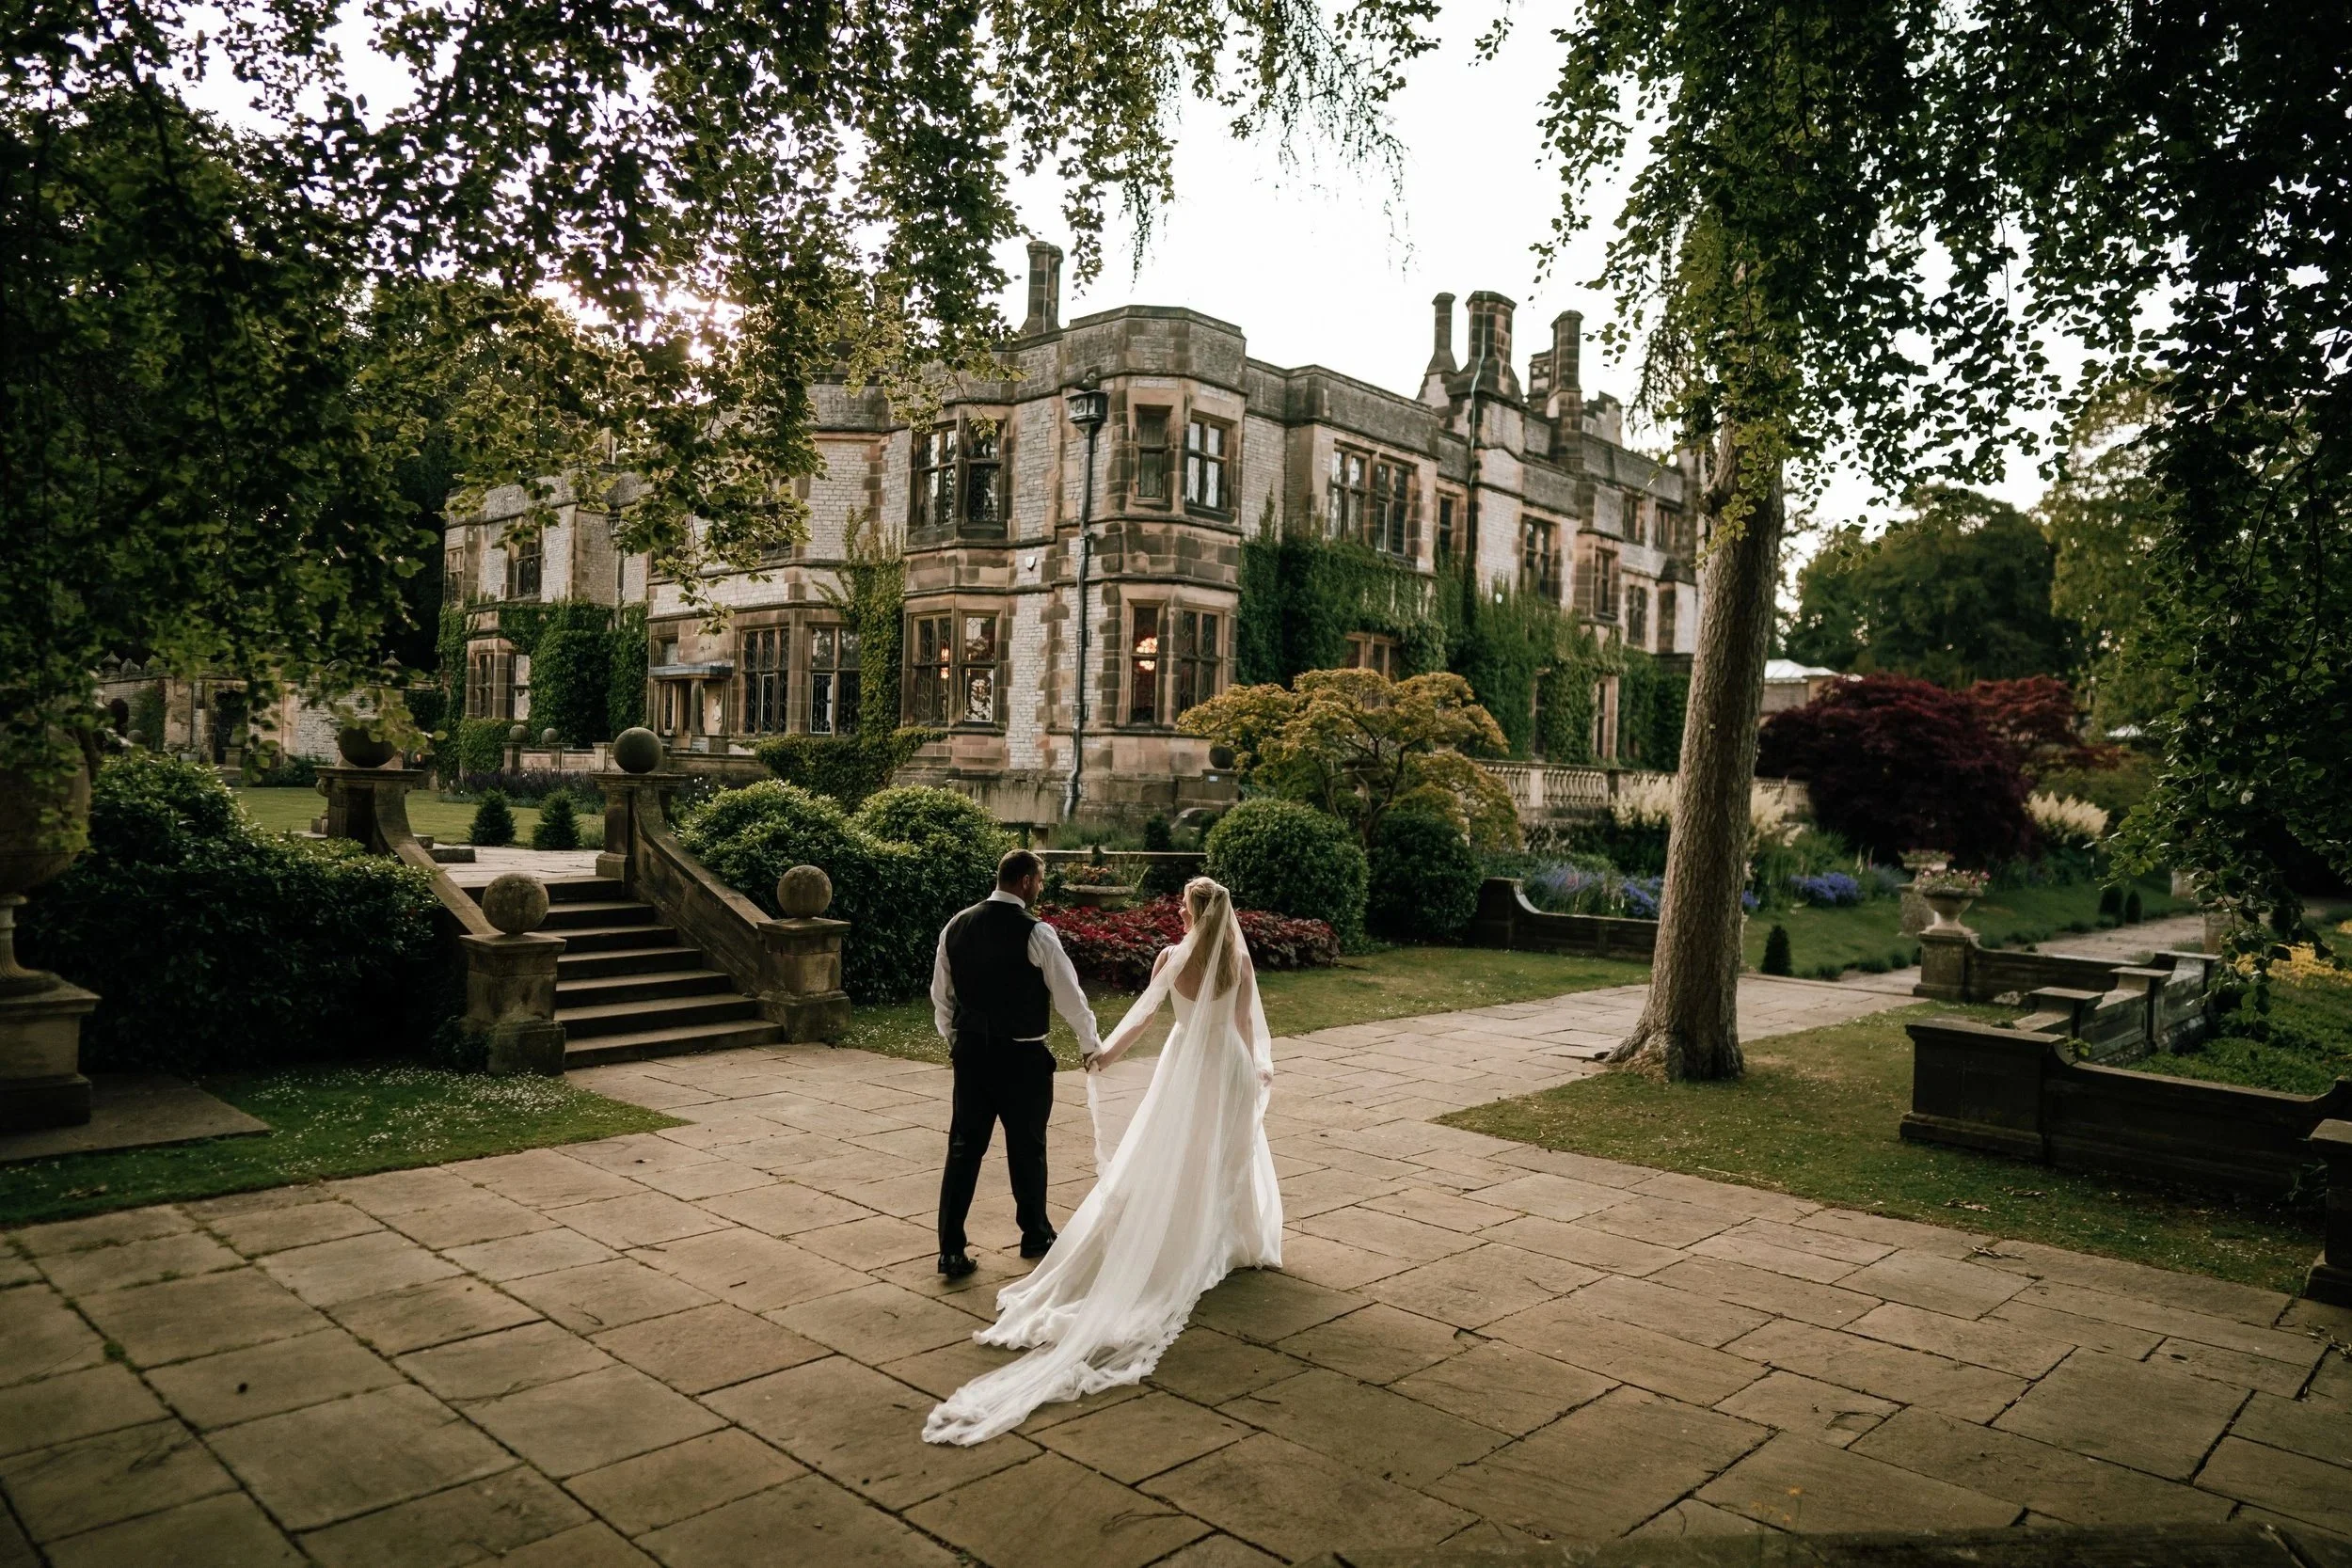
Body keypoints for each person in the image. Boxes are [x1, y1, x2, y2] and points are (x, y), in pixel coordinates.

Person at [923, 876, 1281, 1446]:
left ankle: (1184, 1239)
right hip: (1228, 1067)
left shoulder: (1171, 955)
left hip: (1184, 1063)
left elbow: (1142, 1017)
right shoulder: (1238, 956)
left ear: (1190, 911)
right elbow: (1242, 1026)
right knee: (1226, 1156)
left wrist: (1104, 1053)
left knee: (1173, 1153)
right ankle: (1232, 1241)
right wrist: (1258, 1065)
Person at [931, 848, 1102, 1279]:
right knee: (1027, 1147)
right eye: (1039, 882)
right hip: (1021, 1056)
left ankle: (951, 1249)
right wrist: (1089, 1042)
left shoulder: (956, 925)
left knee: (963, 1148)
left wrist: (959, 1040)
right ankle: (1035, 1233)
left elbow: (941, 996)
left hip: (970, 1056)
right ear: (1026, 881)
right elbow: (1069, 994)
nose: (1039, 889)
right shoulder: (1038, 933)